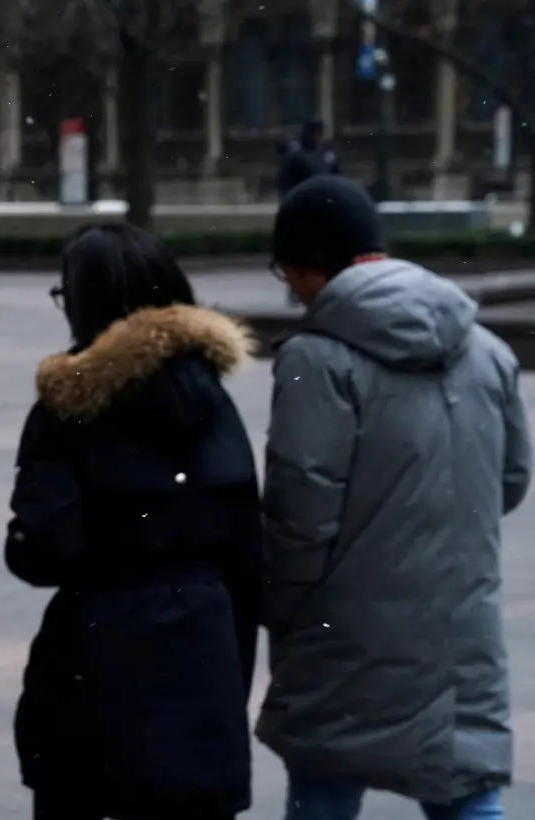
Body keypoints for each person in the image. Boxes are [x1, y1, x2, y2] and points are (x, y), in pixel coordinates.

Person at [260, 175, 532, 820]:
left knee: (325, 789)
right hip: (461, 627)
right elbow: (512, 481)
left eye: (286, 271)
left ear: (307, 268)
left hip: (342, 634)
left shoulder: (314, 359)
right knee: (466, 789)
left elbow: (301, 516)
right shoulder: (488, 352)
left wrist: (280, 606)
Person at [5, 224, 263, 820]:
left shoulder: (68, 408)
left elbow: (43, 551)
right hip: (204, 671)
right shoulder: (215, 402)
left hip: (96, 677)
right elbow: (250, 560)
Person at [276, 118, 340, 198]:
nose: (316, 136)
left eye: (319, 132)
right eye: (313, 132)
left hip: (326, 198)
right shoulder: (295, 155)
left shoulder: (328, 154)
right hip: (303, 198)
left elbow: (338, 176)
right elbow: (285, 182)